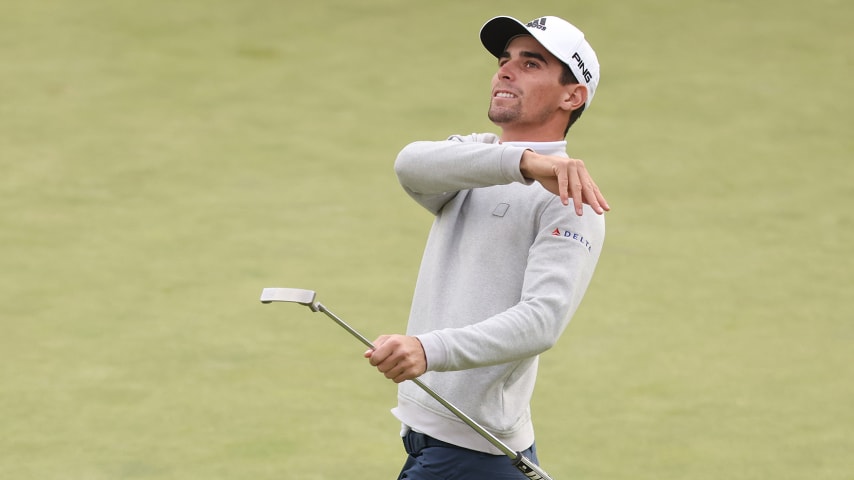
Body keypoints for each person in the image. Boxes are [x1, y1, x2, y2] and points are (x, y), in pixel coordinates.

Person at [364, 15, 609, 479]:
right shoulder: (478, 161)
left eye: (531, 63)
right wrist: (526, 162)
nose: (505, 71)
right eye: (504, 60)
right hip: (432, 441)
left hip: (473, 451)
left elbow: (541, 322)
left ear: (572, 95)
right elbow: (409, 164)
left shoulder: (573, 202)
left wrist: (428, 348)